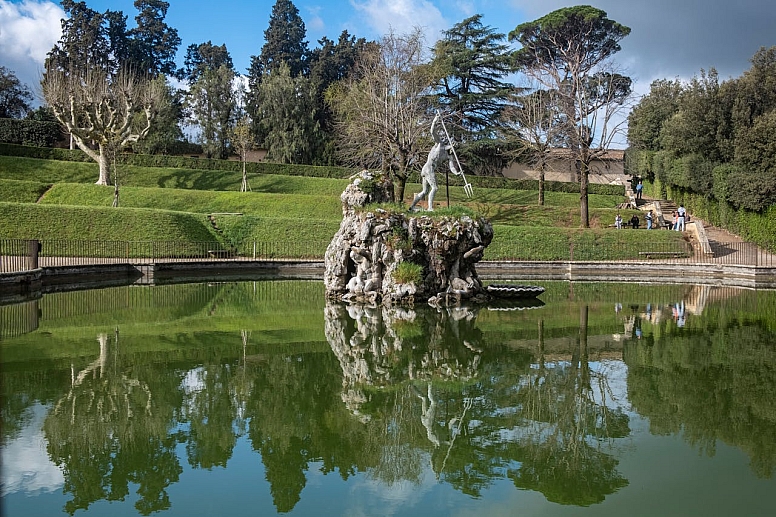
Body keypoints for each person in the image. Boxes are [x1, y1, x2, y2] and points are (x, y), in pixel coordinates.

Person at [410, 113, 460, 211]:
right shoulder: (439, 144)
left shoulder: (449, 155)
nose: (453, 149)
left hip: (428, 169)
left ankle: (412, 207)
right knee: (435, 188)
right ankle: (430, 208)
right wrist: (435, 120)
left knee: (425, 191)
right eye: (453, 146)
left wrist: (456, 173)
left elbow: (452, 167)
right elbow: (432, 131)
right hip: (428, 168)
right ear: (450, 144)